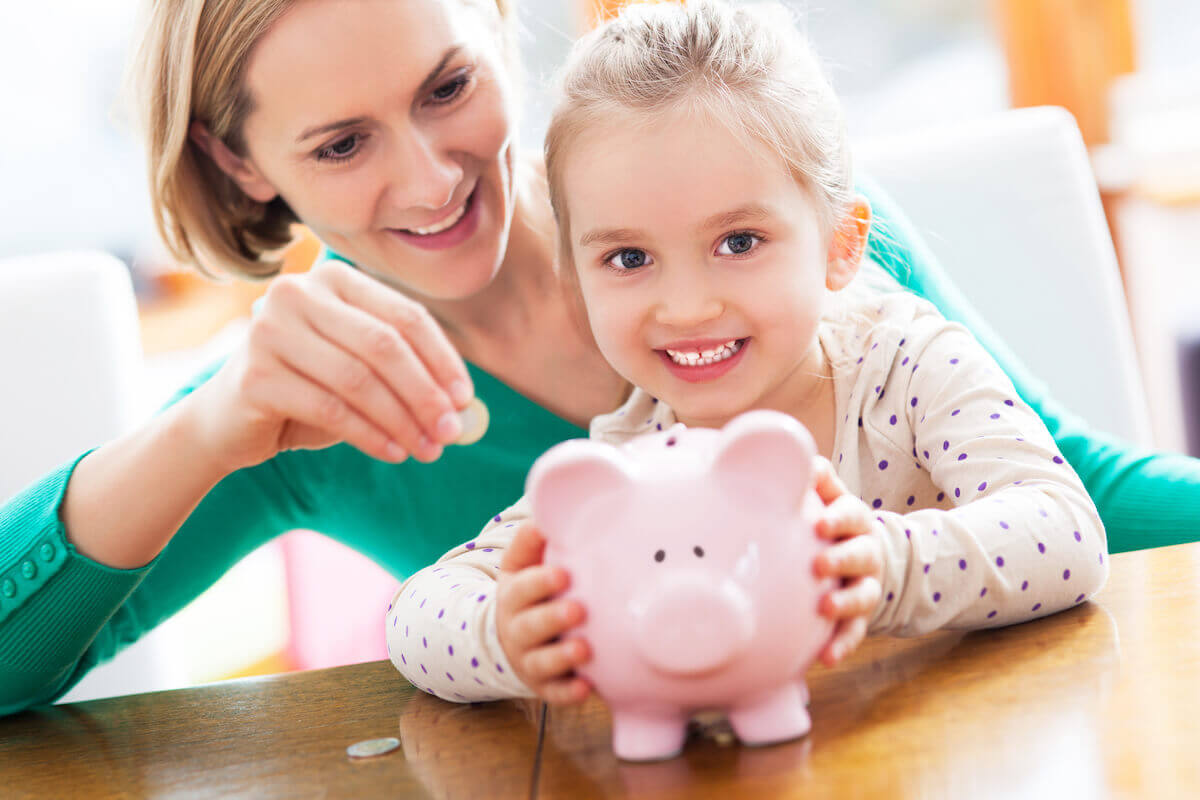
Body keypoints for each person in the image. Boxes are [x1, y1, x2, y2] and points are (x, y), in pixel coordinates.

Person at [0, 0, 1191, 717]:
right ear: (244, 162)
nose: (428, 179)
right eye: (343, 141)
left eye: (448, 85)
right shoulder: (309, 395)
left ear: (502, 31)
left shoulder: (762, 218)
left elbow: (1075, 498)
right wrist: (206, 430)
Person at [386, 0, 1108, 706]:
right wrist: (506, 636)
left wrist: (886, 567)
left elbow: (1067, 531)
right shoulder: (629, 458)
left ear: (839, 245)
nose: (689, 306)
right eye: (630, 257)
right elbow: (417, 614)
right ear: (575, 285)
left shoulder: (907, 364)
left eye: (739, 243)